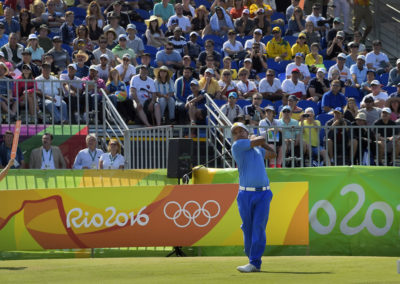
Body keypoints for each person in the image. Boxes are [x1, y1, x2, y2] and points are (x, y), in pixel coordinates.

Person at [231, 121, 275, 273]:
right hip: (245, 194)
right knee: (247, 228)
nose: (238, 134)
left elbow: (273, 153)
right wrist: (256, 139)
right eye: (235, 133)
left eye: (240, 131)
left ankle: (255, 262)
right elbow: (261, 140)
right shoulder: (237, 146)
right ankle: (251, 258)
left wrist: (260, 143)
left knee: (258, 226)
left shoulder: (256, 148)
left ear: (246, 131)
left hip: (263, 193)